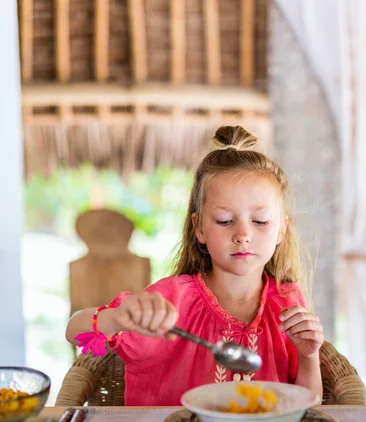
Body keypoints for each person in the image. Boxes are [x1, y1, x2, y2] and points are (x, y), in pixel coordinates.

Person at [66, 125, 324, 406]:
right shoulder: (172, 301)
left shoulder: (287, 302)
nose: (243, 234)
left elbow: (308, 404)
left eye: (260, 221)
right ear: (198, 227)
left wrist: (309, 356)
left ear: (281, 231)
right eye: (225, 221)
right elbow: (75, 331)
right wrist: (116, 318)